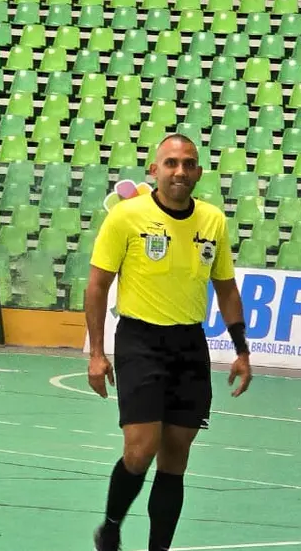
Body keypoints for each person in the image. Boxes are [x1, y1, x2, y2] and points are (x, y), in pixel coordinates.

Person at [85, 134, 253, 551]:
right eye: (172, 163)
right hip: (140, 340)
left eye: (189, 163)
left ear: (198, 171)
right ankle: (111, 526)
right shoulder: (126, 216)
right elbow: (96, 285)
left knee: (176, 457)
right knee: (141, 450)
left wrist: (242, 350)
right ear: (154, 170)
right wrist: (96, 353)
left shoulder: (213, 219)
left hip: (190, 345)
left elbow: (227, 288)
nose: (180, 171)